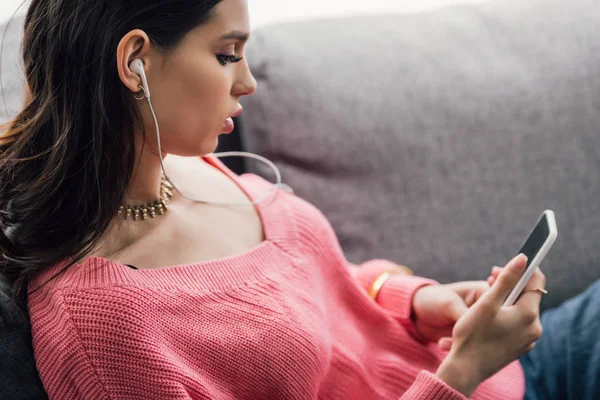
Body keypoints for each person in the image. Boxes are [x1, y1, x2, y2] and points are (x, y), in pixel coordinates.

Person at [0, 1, 598, 399]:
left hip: (514, 371)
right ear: (135, 61)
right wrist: (462, 372)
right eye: (227, 53)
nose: (248, 81)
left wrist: (418, 301)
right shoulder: (105, 328)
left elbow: (317, 282)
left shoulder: (194, 167)